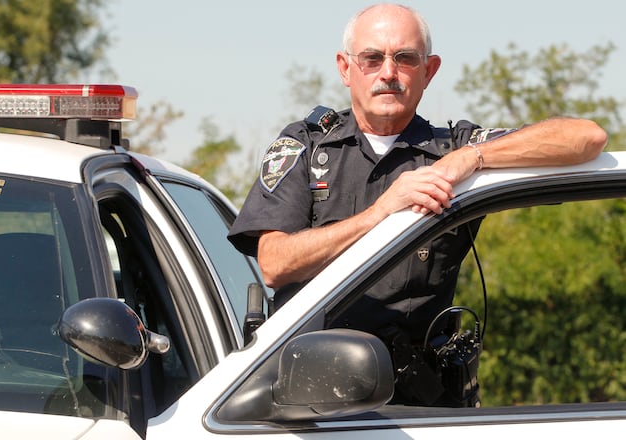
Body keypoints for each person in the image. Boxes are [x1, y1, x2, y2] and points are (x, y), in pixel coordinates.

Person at [227, 3, 608, 406]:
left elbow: (587, 137)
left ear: (429, 70)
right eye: (372, 58)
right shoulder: (307, 147)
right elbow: (275, 264)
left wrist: (471, 159)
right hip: (309, 406)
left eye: (405, 58)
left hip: (423, 408)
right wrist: (380, 213)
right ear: (345, 68)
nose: (388, 73)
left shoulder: (452, 149)